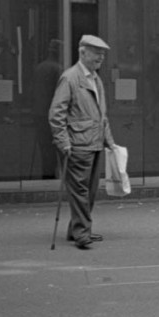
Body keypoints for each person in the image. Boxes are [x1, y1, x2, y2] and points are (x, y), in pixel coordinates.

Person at [49, 35, 116, 249]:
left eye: (103, 54)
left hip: (94, 143)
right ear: (83, 52)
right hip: (77, 144)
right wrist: (64, 143)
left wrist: (109, 142)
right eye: (97, 53)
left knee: (91, 190)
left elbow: (101, 115)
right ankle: (82, 233)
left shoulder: (96, 79)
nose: (101, 57)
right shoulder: (70, 78)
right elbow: (56, 114)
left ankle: (76, 229)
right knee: (80, 191)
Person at [33, 39, 63, 178]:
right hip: (53, 115)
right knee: (59, 150)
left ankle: (47, 176)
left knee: (45, 150)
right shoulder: (57, 68)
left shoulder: (40, 67)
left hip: (40, 113)